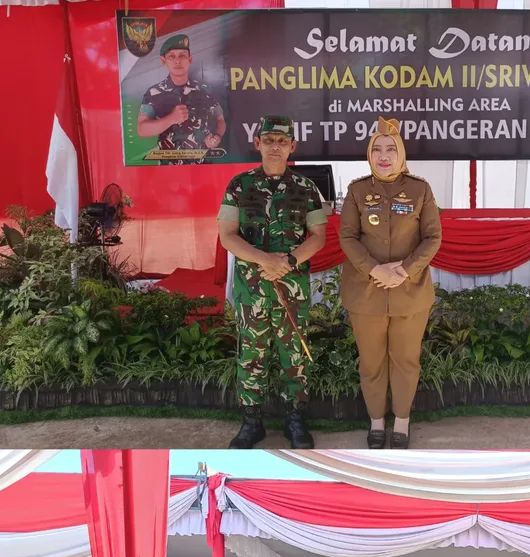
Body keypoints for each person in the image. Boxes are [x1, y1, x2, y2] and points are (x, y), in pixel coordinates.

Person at [218, 115, 328, 449]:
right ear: (258, 143)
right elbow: (227, 236)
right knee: (251, 355)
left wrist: (289, 261)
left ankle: (295, 419)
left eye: (282, 141)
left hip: (290, 288)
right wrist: (266, 260)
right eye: (269, 140)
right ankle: (252, 423)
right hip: (252, 288)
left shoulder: (306, 189)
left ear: (292, 146)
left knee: (293, 355)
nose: (275, 147)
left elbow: (319, 236)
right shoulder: (239, 186)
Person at [339, 116, 442, 449]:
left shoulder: (419, 189)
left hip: (409, 293)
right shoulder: (357, 190)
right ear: (370, 155)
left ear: (401, 154)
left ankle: (402, 422)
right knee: (371, 362)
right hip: (366, 294)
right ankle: (376, 422)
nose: (384, 156)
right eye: (378, 149)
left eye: (391, 149)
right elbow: (348, 236)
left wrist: (405, 269)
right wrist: (374, 269)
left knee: (405, 360)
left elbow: (432, 237)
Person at [136, 33, 226, 163]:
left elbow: (220, 120)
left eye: (182, 55)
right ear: (163, 61)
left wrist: (217, 136)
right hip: (170, 168)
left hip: (203, 166)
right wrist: (171, 119)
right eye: (171, 56)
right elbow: (142, 129)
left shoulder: (204, 90)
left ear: (190, 59)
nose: (177, 61)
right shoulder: (154, 92)